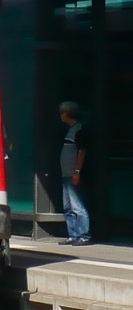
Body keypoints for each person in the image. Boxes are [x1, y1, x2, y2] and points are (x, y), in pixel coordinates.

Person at [58, 101, 91, 246]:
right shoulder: (70, 129)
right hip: (66, 173)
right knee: (68, 206)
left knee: (77, 205)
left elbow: (82, 151)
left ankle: (83, 235)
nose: (60, 116)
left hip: (73, 173)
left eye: (61, 113)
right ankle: (72, 235)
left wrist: (77, 171)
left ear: (66, 114)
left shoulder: (79, 129)